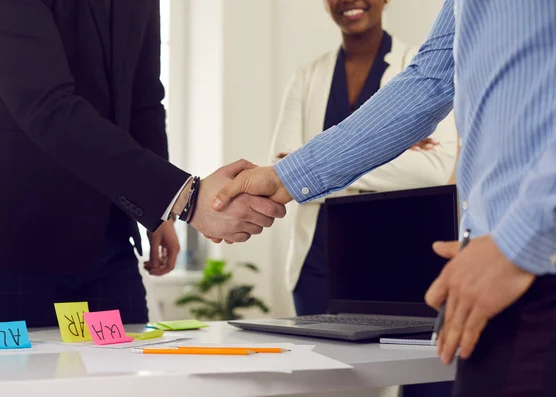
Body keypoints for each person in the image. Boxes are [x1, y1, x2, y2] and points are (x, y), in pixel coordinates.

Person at [212, 0, 556, 395]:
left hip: (531, 261)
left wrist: (516, 242)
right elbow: (430, 80)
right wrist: (282, 177)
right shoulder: (311, 74)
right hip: (485, 270)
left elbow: (432, 163)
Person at [0, 0, 284, 329]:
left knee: (122, 377)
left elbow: (144, 100)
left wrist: (160, 214)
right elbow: (47, 106)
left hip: (107, 238)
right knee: (12, 379)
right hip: (6, 240)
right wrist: (185, 198)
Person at [271, 0, 457, 317]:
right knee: (317, 362)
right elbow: (281, 164)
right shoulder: (307, 76)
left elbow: (435, 171)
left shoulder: (425, 67)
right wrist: (394, 151)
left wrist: (313, 166)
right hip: (316, 261)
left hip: (401, 254)